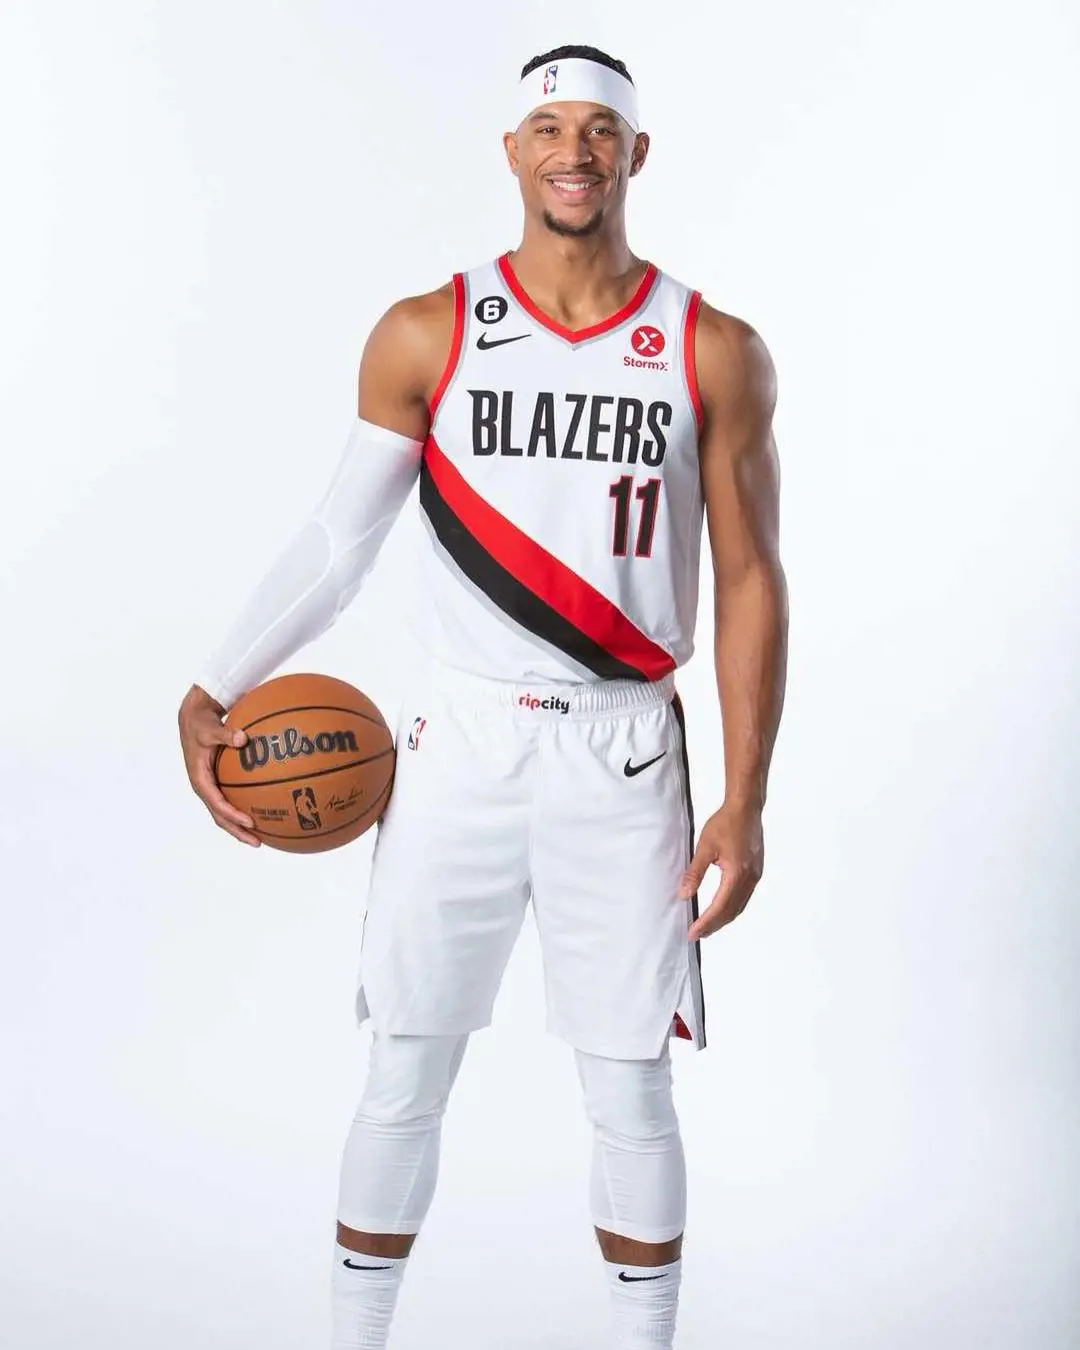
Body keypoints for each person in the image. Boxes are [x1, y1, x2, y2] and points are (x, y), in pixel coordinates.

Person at [177, 42, 788, 1350]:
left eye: (601, 131)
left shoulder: (711, 346)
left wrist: (746, 794)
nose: (575, 150)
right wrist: (214, 683)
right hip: (455, 740)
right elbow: (342, 540)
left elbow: (748, 580)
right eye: (548, 127)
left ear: (637, 153)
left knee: (631, 1086)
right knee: (403, 1069)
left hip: (625, 758)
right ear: (512, 151)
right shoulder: (430, 328)